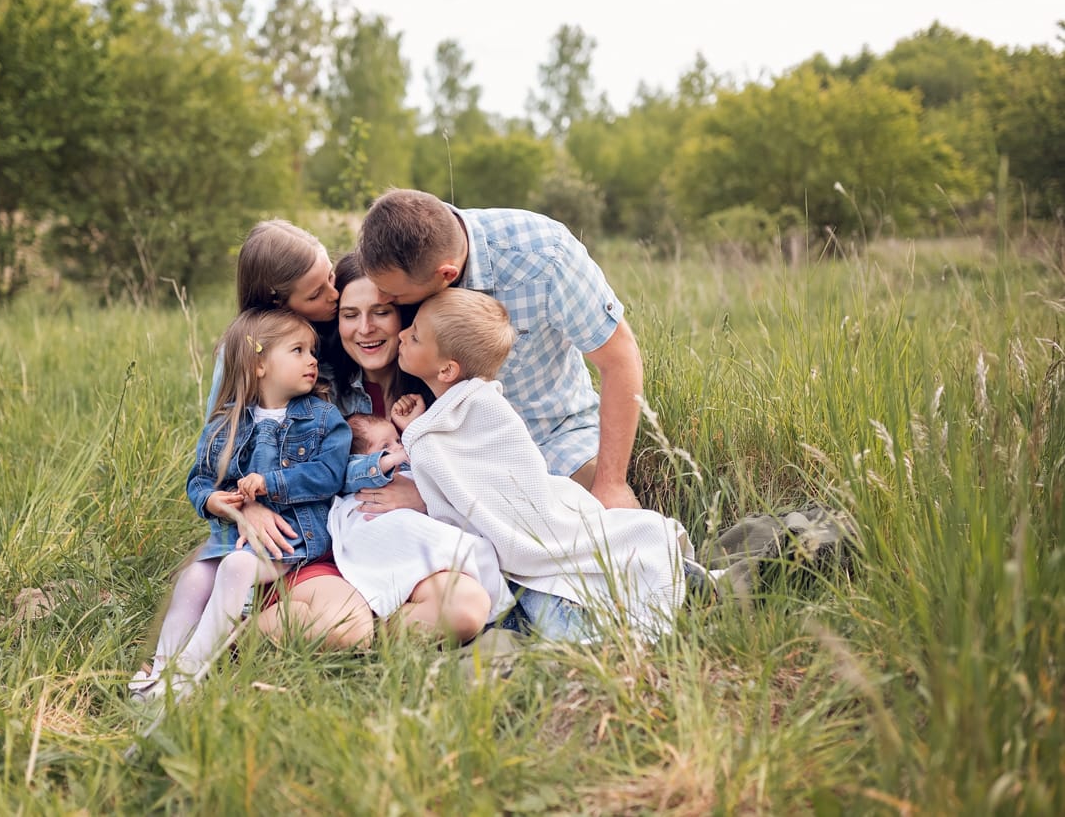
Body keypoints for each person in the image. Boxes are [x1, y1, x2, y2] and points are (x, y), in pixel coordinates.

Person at [393, 288, 694, 643]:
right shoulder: (463, 407)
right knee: (567, 580)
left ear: (446, 369)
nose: (401, 335)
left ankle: (664, 598)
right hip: (519, 532)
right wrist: (420, 424)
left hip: (531, 532)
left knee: (556, 593)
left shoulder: (481, 410)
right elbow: (458, 465)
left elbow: (463, 490)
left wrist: (418, 432)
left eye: (413, 336)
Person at [355, 189, 644, 512]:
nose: (380, 298)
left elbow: (619, 359)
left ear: (446, 276)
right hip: (459, 459)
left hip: (552, 438)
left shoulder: (545, 257)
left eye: (392, 293)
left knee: (615, 530)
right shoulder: (400, 253)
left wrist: (611, 484)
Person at [129, 309, 352, 701]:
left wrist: (272, 482)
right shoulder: (226, 423)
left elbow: (329, 474)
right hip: (233, 536)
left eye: (312, 351)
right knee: (195, 578)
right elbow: (199, 480)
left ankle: (189, 671)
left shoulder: (323, 419)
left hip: (292, 540)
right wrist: (214, 500)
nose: (312, 360)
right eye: (297, 350)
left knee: (237, 565)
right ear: (259, 364)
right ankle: (161, 668)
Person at [326, 413, 509, 642]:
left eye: (398, 440)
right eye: (385, 446)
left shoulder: (413, 464)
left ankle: (383, 630)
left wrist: (414, 433)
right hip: (378, 531)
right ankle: (374, 628)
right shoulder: (358, 473)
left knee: (463, 601)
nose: (397, 447)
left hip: (426, 552)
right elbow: (351, 472)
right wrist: (389, 460)